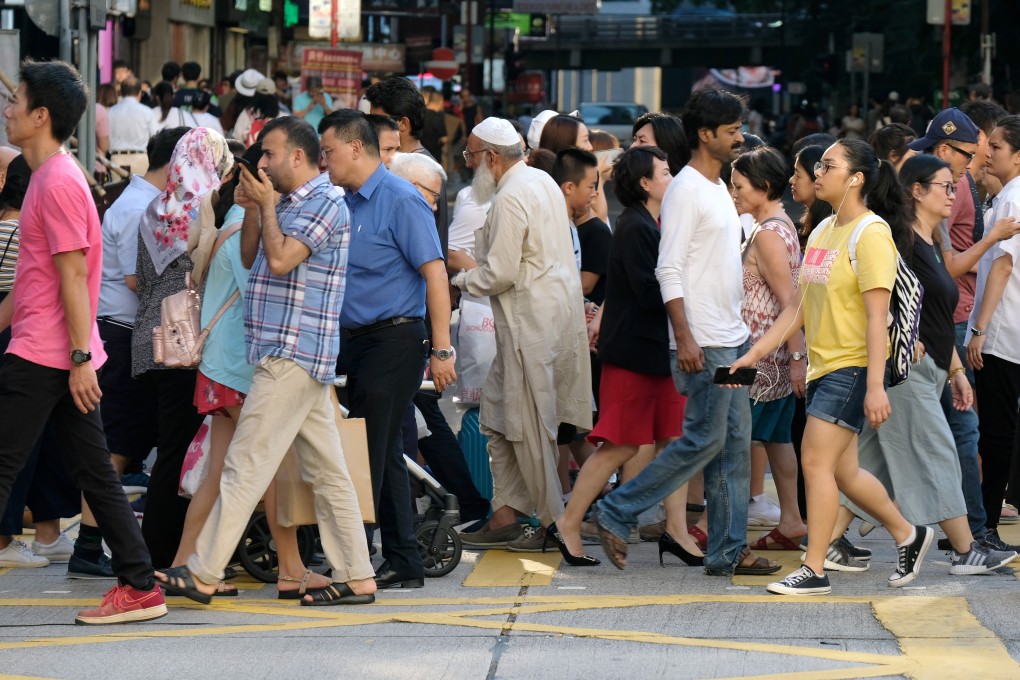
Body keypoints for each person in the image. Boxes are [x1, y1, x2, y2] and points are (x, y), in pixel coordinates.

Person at [157, 115, 377, 607]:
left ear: (297, 157)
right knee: (328, 472)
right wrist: (256, 208)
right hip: (287, 353)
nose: (261, 162)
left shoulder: (325, 203)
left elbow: (281, 260)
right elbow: (255, 255)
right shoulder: (289, 202)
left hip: (293, 352)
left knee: (245, 464)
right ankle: (358, 575)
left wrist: (266, 206)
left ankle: (205, 571)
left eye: (270, 154)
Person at [0, 59, 166, 624]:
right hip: (51, 349)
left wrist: (77, 359)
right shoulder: (46, 174)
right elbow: (41, 280)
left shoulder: (60, 182)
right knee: (96, 472)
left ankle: (140, 583)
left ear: (40, 115)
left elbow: (75, 278)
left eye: (14, 101)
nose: (7, 109)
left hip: (49, 354)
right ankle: (140, 584)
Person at [731, 139, 936, 595]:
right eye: (818, 165)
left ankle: (816, 568)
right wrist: (753, 355)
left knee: (814, 461)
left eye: (828, 165)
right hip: (824, 367)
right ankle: (909, 533)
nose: (817, 172)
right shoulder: (823, 231)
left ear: (857, 178)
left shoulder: (872, 233)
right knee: (843, 473)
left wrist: (877, 386)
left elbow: (876, 316)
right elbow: (797, 308)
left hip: (854, 366)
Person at [589, 89, 778, 578]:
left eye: (740, 129)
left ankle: (727, 550)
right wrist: (685, 337)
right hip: (705, 343)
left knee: (734, 447)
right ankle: (616, 508)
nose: (740, 137)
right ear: (705, 134)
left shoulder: (718, 188)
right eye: (732, 130)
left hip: (731, 339)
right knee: (704, 440)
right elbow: (668, 269)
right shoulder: (687, 190)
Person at [838, 154, 1017, 575]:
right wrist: (904, 335)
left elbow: (937, 317)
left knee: (868, 465)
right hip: (905, 369)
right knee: (938, 453)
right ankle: (965, 548)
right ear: (916, 190)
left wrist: (955, 370)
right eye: (946, 186)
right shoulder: (898, 241)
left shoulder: (932, 240)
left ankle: (826, 540)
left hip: (931, 366)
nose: (954, 193)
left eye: (954, 186)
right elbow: (875, 299)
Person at [318, 109, 453, 590]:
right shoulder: (342, 202)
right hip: (351, 342)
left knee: (366, 454)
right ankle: (404, 561)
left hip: (395, 339)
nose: (324, 160)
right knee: (386, 450)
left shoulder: (401, 200)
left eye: (329, 151)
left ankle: (353, 567)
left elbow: (435, 274)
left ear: (356, 147)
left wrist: (442, 351)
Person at [451, 117, 592, 550]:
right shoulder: (542, 181)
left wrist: (456, 283)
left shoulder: (511, 195)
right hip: (546, 322)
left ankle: (553, 526)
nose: (469, 164)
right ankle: (506, 513)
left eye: (471, 157)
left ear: (491, 157)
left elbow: (500, 273)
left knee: (528, 430)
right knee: (497, 417)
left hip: (527, 327)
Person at [556, 145, 692, 566]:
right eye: (666, 173)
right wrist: (688, 286)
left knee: (674, 441)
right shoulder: (636, 227)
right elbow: (649, 293)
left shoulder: (649, 223)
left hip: (654, 353)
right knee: (620, 445)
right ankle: (570, 523)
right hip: (636, 355)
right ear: (646, 183)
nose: (674, 179)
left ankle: (677, 531)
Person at [131, 128, 234, 568]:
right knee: (185, 451)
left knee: (167, 448)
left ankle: (163, 548)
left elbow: (140, 279)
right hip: (187, 342)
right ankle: (167, 552)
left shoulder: (154, 209)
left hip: (150, 339)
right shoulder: (207, 207)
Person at [95, 127, 190, 570]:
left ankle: (97, 543)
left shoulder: (135, 201)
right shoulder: (145, 208)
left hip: (128, 329)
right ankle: (91, 544)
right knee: (120, 443)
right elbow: (139, 280)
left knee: (126, 441)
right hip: (128, 329)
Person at [389, 152, 491, 524]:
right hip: (395, 342)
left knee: (416, 425)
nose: (435, 206)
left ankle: (427, 508)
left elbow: (436, 281)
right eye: (432, 196)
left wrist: (440, 349)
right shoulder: (391, 204)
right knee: (419, 425)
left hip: (405, 340)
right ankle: (448, 502)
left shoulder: (412, 213)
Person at [729, 147, 808, 551]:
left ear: (762, 187)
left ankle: (717, 523)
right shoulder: (781, 227)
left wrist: (796, 359)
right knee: (778, 442)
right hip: (772, 357)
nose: (733, 191)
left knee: (734, 442)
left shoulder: (768, 235)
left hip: (761, 361)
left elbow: (791, 302)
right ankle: (791, 520)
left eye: (739, 185)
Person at [967, 115, 1020, 546]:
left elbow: (1002, 267)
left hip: (1002, 332)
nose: (988, 153)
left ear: (1018, 157)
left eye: (997, 148)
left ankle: (985, 527)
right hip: (1007, 330)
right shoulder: (1004, 196)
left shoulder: (1012, 200)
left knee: (996, 432)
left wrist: (979, 329)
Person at [364, 77, 449, 254]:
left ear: (403, 124)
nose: (370, 127)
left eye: (377, 120)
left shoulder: (419, 171)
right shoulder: (397, 162)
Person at [108, 77, 157, 175]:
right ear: (140, 93)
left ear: (121, 92)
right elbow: (155, 137)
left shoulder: (110, 112)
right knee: (140, 190)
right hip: (140, 159)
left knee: (116, 190)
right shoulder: (147, 112)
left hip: (116, 159)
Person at [234, 77, 281, 148]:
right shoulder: (281, 116)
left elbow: (237, 137)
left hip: (249, 157)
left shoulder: (247, 113)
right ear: (275, 96)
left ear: (256, 95)